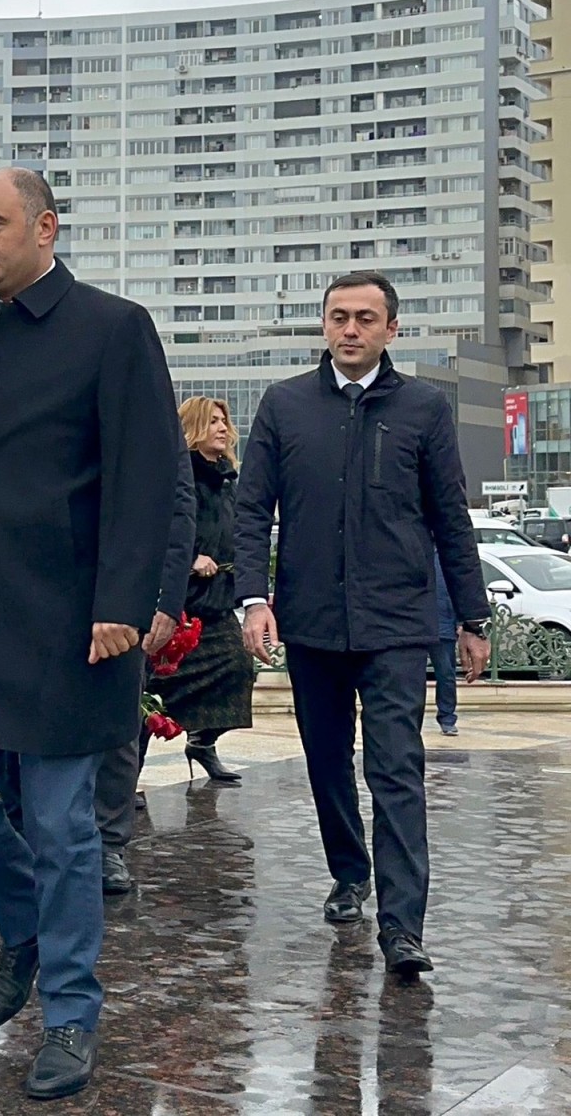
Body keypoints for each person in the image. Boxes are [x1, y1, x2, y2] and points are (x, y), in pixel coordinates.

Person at [0, 168, 178, 1101]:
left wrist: (124, 604)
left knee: (63, 828)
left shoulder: (112, 329)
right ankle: (22, 926)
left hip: (73, 623)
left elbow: (148, 478)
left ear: (46, 227)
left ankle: (69, 1014)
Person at [235, 271, 490, 978]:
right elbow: (252, 510)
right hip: (312, 625)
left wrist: (472, 616)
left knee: (396, 770)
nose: (351, 329)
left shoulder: (423, 409)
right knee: (325, 763)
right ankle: (351, 872)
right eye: (339, 317)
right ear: (324, 325)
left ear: (391, 330)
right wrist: (254, 597)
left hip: (397, 625)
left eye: (365, 318)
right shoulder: (285, 406)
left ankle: (403, 926)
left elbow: (450, 517)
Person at [94, 419, 196, 895]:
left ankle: (108, 845)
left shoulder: (140, 403)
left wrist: (164, 597)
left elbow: (177, 508)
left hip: (121, 591)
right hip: (35, 586)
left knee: (117, 723)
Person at [155, 396, 256, 784]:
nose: (221, 427)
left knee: (238, 669)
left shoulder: (229, 479)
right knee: (156, 691)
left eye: (223, 420)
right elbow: (160, 529)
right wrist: (190, 558)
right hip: (181, 603)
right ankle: (126, 779)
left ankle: (202, 742)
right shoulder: (179, 479)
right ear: (194, 428)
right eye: (212, 421)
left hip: (217, 604)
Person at [430, 553, 460, 736]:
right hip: (415, 626)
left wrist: (461, 622)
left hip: (443, 627)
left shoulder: (446, 556)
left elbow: (459, 589)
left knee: (446, 675)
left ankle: (447, 718)